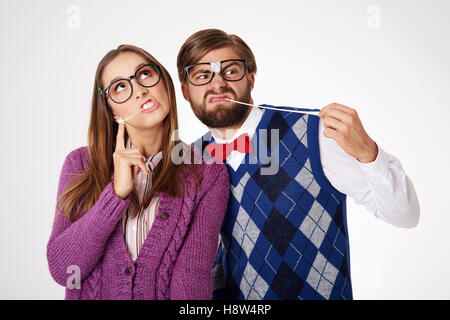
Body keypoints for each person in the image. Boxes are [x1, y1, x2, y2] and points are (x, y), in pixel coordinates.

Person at [176, 29, 420, 300]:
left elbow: (405, 215)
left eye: (231, 71)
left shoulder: (315, 134)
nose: (218, 83)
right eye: (202, 75)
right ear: (186, 91)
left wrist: (368, 152)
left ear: (251, 79)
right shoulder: (189, 161)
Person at [46, 44, 230, 300]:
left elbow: (191, 278)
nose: (140, 90)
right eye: (120, 86)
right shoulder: (80, 164)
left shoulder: (207, 175)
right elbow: (63, 270)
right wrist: (115, 196)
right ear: (111, 110)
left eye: (145, 74)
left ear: (164, 81)